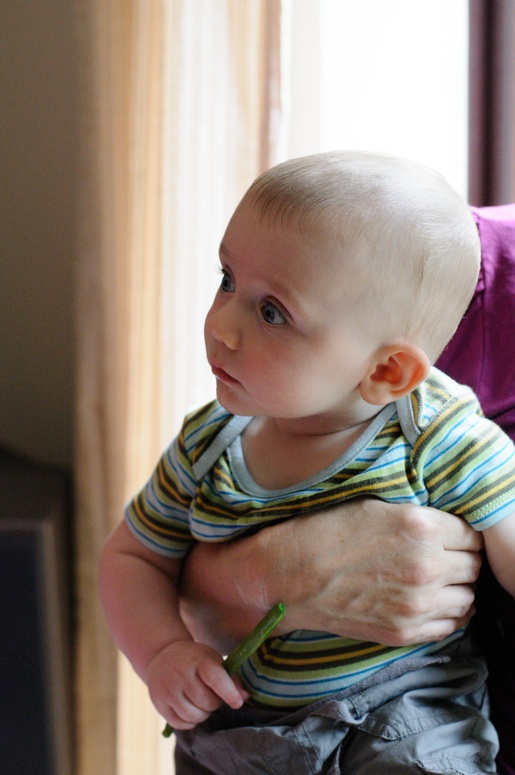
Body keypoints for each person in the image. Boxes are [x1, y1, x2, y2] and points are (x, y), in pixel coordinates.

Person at [99, 152, 515, 774]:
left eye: (272, 312)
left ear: (387, 371)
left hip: (402, 724)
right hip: (242, 729)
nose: (222, 326)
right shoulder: (208, 443)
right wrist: (163, 653)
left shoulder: (436, 434)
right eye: (227, 279)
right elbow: (132, 559)